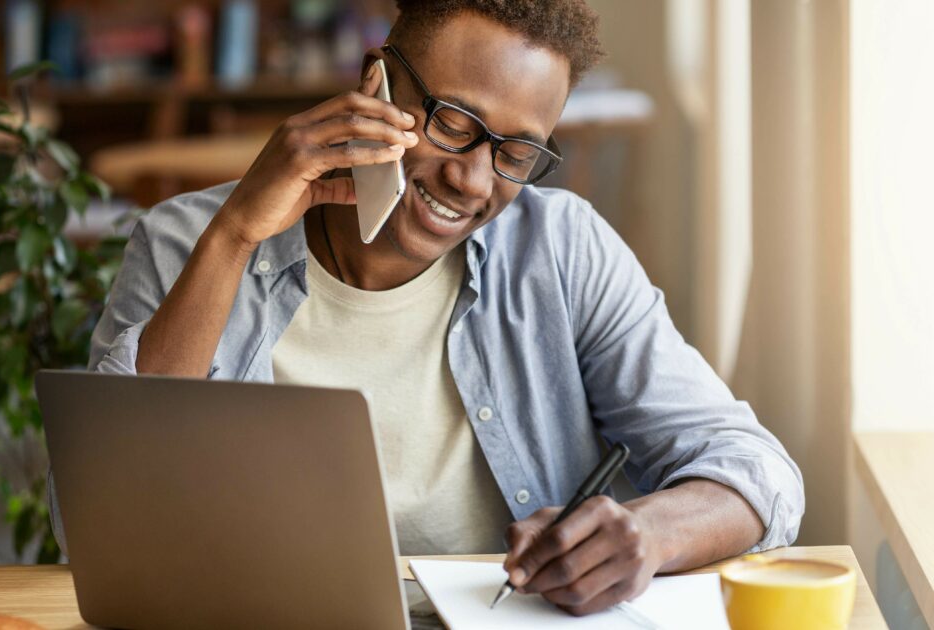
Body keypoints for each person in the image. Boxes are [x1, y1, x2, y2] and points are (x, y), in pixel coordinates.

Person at [57, 0, 804, 618]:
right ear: (376, 81)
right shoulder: (190, 240)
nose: (474, 180)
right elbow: (111, 515)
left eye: (516, 152)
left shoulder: (561, 249)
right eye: (453, 123)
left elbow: (759, 473)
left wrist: (642, 533)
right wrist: (237, 234)